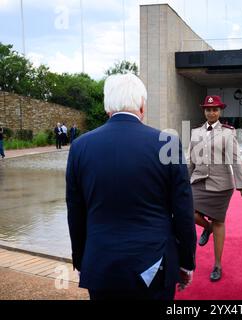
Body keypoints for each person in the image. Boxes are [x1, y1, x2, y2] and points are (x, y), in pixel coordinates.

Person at [66, 73, 196, 300]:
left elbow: (75, 212)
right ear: (143, 106)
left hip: (101, 264)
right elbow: (183, 211)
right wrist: (186, 262)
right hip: (154, 265)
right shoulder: (168, 144)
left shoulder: (80, 147)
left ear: (108, 107)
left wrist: (80, 259)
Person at [187, 95, 242, 282]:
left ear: (220, 111)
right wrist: (183, 181)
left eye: (215, 109)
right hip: (198, 182)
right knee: (187, 210)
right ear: (204, 111)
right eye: (208, 109)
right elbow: (191, 159)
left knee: (219, 222)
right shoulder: (195, 132)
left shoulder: (228, 132)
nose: (211, 112)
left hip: (221, 186)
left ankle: (217, 265)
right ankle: (207, 228)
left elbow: (235, 159)